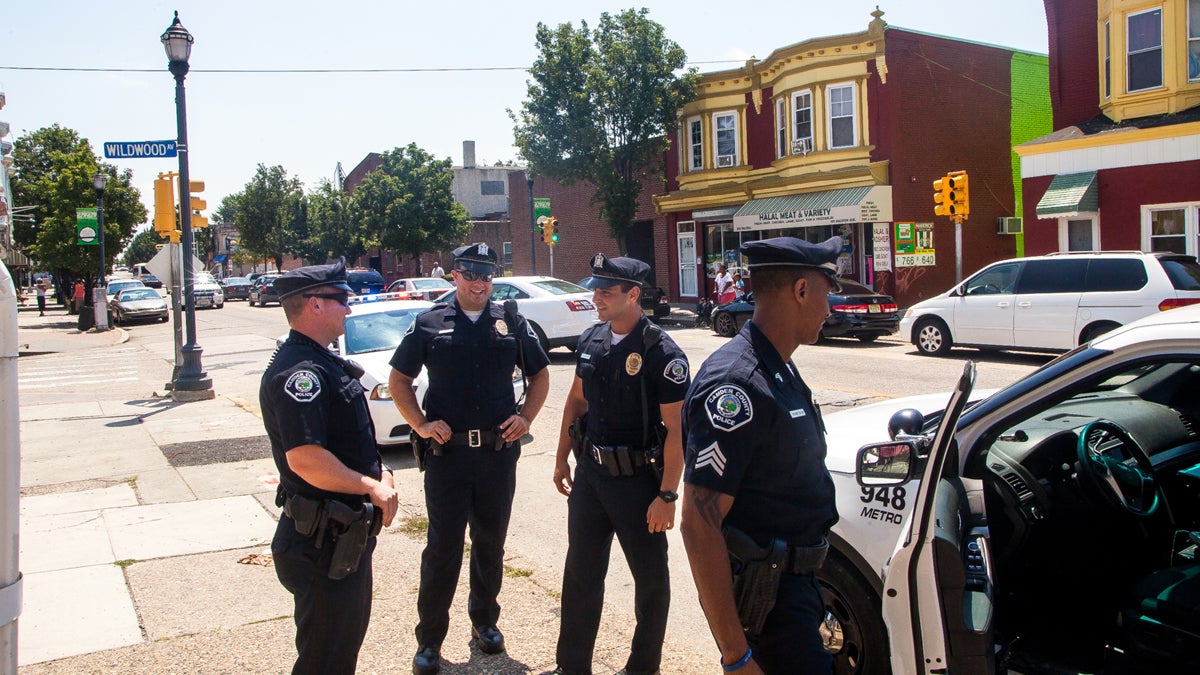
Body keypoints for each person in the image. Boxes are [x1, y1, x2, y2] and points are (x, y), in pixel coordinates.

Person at [679, 236, 843, 675]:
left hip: (797, 588)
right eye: (827, 293)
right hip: (770, 604)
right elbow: (699, 525)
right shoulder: (738, 385)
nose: (830, 308)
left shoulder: (780, 366)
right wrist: (737, 657)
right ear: (802, 290)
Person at [388, 243, 551, 675]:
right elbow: (399, 380)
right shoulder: (428, 323)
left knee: (491, 543)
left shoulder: (511, 321)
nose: (479, 283)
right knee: (442, 548)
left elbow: (540, 375)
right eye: (471, 274)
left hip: (498, 455)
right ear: (454, 276)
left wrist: (527, 416)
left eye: (486, 275)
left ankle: (485, 622)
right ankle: (429, 640)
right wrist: (420, 424)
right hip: (448, 456)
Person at [547, 254, 690, 675]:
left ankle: (643, 667)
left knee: (649, 581)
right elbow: (576, 400)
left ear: (633, 294)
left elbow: (678, 430)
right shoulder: (591, 339)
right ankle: (572, 666)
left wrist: (667, 494)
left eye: (606, 292)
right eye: (595, 289)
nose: (596, 297)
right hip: (591, 477)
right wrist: (560, 458)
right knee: (580, 576)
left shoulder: (661, 352)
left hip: (638, 485)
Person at [259, 259, 399, 675]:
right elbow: (305, 459)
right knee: (325, 659)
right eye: (341, 300)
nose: (349, 309)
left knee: (339, 650)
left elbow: (346, 440)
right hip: (321, 543)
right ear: (314, 305)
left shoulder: (322, 363)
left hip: (341, 539)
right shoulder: (301, 373)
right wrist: (369, 487)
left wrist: (380, 475)